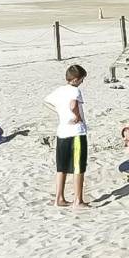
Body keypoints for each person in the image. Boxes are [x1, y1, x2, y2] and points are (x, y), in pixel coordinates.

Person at [44, 64, 89, 208]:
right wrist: (76, 116)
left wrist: (59, 112)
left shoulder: (59, 90)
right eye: (81, 79)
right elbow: (73, 104)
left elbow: (46, 101)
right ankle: (78, 200)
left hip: (62, 132)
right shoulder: (75, 91)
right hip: (76, 132)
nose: (82, 82)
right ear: (75, 79)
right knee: (78, 167)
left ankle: (59, 198)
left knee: (61, 167)